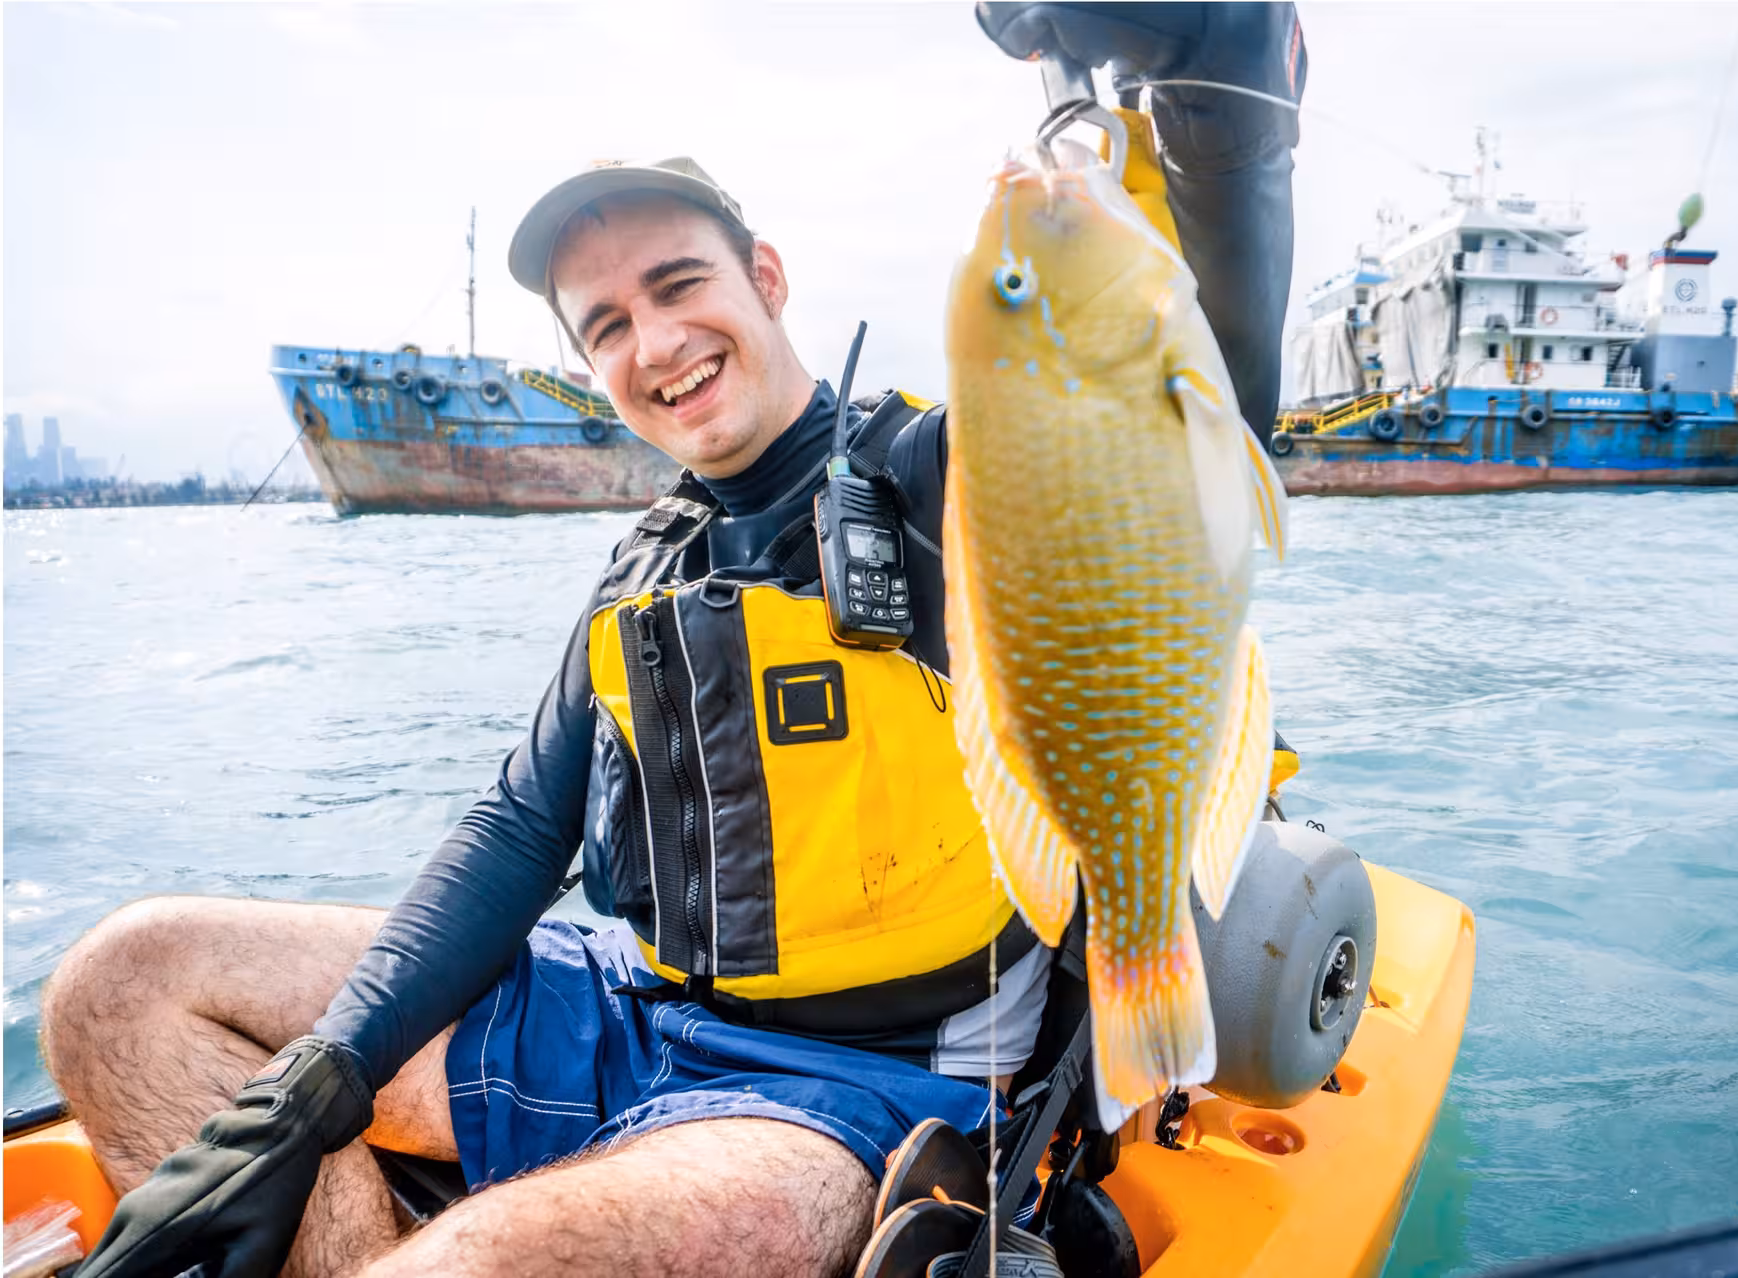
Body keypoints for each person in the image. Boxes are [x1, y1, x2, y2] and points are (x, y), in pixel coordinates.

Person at [44, 5, 1306, 1276]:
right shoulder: (642, 563)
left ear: (766, 276)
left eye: (677, 284)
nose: (651, 346)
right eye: (603, 326)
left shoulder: (952, 475)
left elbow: (1191, 419)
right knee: (119, 986)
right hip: (628, 1012)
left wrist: (1219, 62)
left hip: (869, 1089)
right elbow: (516, 834)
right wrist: (325, 1078)